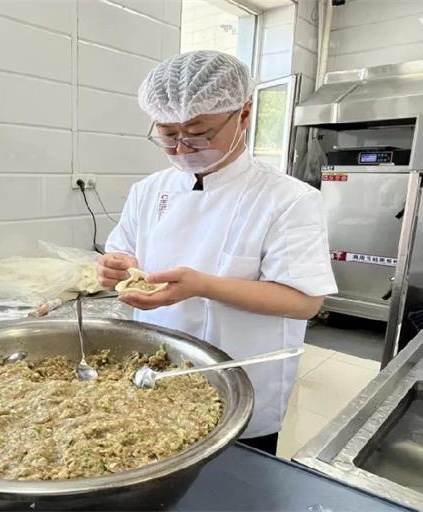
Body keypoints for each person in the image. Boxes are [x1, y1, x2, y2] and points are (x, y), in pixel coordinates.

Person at [98, 50, 337, 455]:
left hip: (241, 375)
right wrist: (116, 268)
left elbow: (304, 302)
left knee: (235, 475)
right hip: (157, 371)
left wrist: (203, 286)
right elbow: (123, 253)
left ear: (244, 115)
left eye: (198, 133)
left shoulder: (288, 200)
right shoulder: (149, 191)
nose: (182, 148)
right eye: (168, 134)